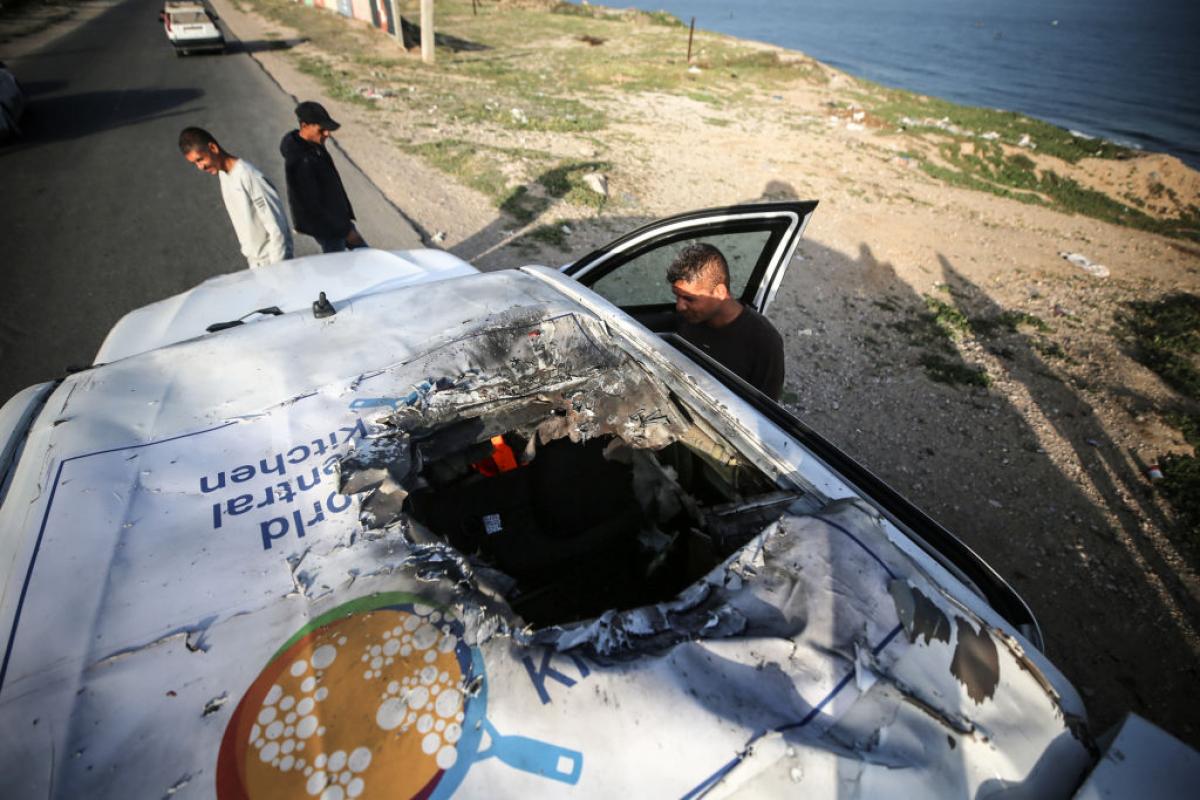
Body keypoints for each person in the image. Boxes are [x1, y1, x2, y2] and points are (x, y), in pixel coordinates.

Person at [667, 243, 785, 400]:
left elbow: (765, 411)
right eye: (677, 296)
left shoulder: (764, 341)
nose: (680, 306)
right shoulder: (689, 317)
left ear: (719, 292)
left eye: (689, 298)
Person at [178, 127, 292, 269]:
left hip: (272, 263)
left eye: (200, 159)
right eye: (195, 163)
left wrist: (278, 270)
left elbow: (277, 227)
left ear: (213, 148)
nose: (200, 167)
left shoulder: (248, 176)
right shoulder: (223, 174)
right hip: (255, 263)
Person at [279, 101, 367, 253]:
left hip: (338, 220)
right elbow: (310, 203)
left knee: (363, 256)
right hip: (330, 227)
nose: (327, 134)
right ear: (304, 126)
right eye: (322, 130)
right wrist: (343, 229)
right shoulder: (301, 159)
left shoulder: (312, 147)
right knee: (342, 266)